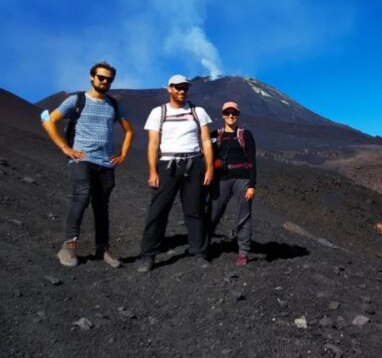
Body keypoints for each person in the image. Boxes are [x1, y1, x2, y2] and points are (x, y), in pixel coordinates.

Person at [41, 61, 134, 268]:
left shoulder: (114, 104)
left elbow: (129, 131)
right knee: (81, 196)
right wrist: (65, 148)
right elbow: (48, 120)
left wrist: (123, 154)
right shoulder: (76, 100)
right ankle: (69, 245)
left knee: (102, 206)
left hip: (106, 163)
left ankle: (103, 248)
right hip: (81, 159)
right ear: (92, 77)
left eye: (109, 79)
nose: (105, 81)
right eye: (101, 77)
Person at [137, 75, 214, 272]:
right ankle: (148, 255)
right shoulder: (158, 112)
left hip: (194, 163)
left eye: (185, 88)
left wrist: (209, 167)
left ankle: (199, 252)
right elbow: (153, 144)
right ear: (169, 89)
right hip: (168, 165)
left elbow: (206, 140)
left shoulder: (198, 111)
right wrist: (153, 170)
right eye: (178, 87)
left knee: (195, 210)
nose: (182, 91)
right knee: (158, 209)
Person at [209, 102, 257, 266]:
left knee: (244, 215)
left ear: (238, 115)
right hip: (221, 179)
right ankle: (204, 245)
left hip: (242, 179)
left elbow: (252, 161)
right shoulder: (215, 135)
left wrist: (252, 184)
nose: (231, 116)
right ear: (222, 115)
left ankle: (243, 253)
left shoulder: (246, 135)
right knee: (214, 212)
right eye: (227, 113)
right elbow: (207, 155)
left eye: (234, 113)